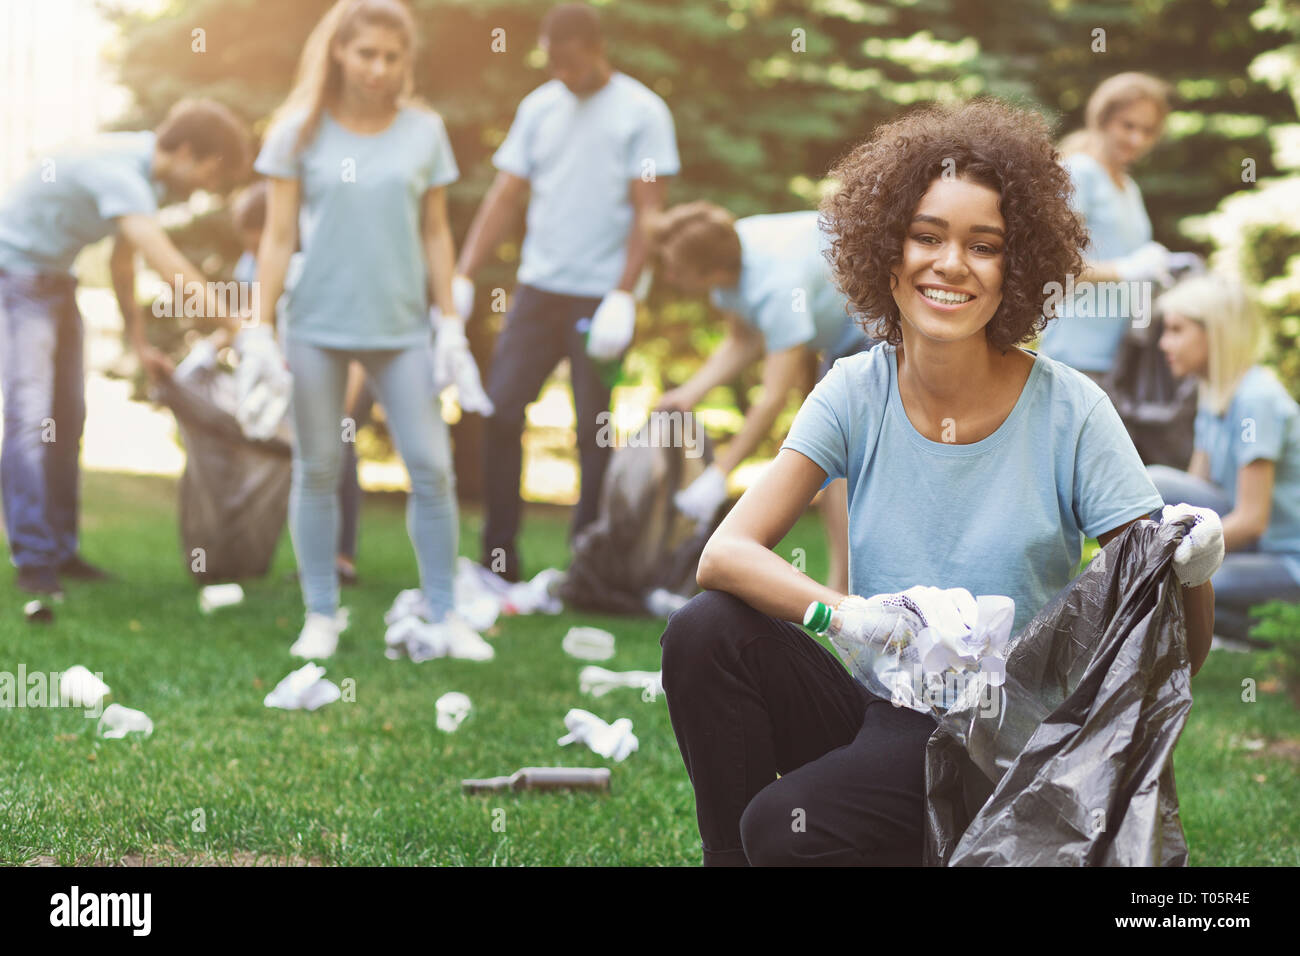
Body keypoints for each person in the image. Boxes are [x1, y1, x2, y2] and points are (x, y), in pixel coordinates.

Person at [658, 98, 1221, 867]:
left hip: (1001, 740)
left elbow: (1173, 654)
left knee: (787, 828)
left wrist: (1194, 574)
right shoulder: (856, 388)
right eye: (927, 236)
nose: (950, 264)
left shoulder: (1072, 411)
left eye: (983, 246)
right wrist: (855, 617)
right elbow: (725, 557)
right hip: (885, 701)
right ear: (887, 254)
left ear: (1015, 268)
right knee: (705, 631)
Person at [251, 0, 491, 660]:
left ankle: (443, 615)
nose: (379, 68)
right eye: (366, 54)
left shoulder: (423, 133)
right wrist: (257, 329)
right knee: (317, 468)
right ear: (338, 52)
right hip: (317, 327)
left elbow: (437, 232)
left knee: (433, 470)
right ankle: (321, 615)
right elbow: (275, 239)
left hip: (402, 331)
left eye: (392, 57)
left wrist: (450, 325)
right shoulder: (297, 132)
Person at [455, 2, 680, 582]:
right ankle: (498, 558)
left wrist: (623, 295)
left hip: (600, 298)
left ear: (595, 49)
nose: (562, 74)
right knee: (500, 410)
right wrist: (462, 273)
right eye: (552, 63)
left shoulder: (642, 113)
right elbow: (505, 196)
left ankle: (588, 561)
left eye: (570, 63)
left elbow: (648, 213)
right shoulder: (539, 108)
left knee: (592, 429)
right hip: (537, 290)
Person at [0, 99, 251, 601]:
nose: (208, 185)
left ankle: (61, 550)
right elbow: (165, 262)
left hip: (57, 280)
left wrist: (138, 344)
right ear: (184, 150)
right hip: (17, 280)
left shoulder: (147, 179)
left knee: (67, 418)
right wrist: (240, 328)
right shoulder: (120, 172)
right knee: (30, 418)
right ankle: (33, 560)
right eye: (210, 169)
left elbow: (123, 262)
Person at [649, 201, 873, 593]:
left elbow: (773, 397)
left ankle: (845, 588)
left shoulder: (777, 284)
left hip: (874, 326)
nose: (668, 276)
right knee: (838, 464)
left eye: (676, 270)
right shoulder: (730, 261)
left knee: (841, 459)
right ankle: (843, 587)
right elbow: (742, 339)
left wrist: (720, 475)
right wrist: (689, 394)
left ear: (713, 271)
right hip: (841, 335)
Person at [231, 180, 369, 586]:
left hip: (347, 370)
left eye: (258, 242)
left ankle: (341, 557)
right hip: (296, 373)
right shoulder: (252, 264)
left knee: (340, 450)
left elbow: (357, 338)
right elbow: (252, 316)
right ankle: (314, 555)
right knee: (310, 458)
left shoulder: (326, 260)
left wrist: (346, 401)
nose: (254, 254)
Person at [1148, 274, 1300, 642]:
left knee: (1183, 587)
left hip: (1285, 560)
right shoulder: (1214, 391)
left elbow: (1252, 520)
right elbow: (1194, 492)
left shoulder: (1255, 400)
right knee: (1157, 494)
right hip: (1252, 550)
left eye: (1176, 330)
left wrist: (1175, 561)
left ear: (1213, 332)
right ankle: (1220, 631)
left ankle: (1267, 636)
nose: (1164, 343)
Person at [1038, 72, 1182, 382]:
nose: (1137, 139)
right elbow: (1054, 266)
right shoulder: (1078, 173)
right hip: (1077, 355)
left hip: (1122, 356)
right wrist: (1126, 269)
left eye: (1147, 130)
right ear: (1102, 120)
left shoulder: (1130, 187)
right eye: (1128, 126)